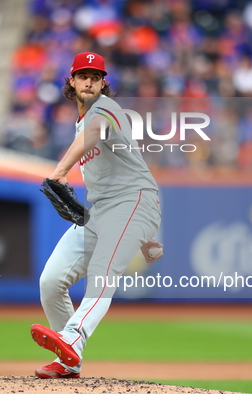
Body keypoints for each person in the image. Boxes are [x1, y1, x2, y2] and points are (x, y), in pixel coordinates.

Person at [30, 52, 163, 378]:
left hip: (135, 200)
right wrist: (146, 239)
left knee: (102, 273)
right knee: (51, 281)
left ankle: (73, 337)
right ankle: (68, 359)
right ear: (71, 83)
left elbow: (93, 135)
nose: (89, 81)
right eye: (83, 75)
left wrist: (60, 171)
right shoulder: (82, 119)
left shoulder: (106, 109)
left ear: (103, 84)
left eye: (96, 76)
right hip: (105, 210)